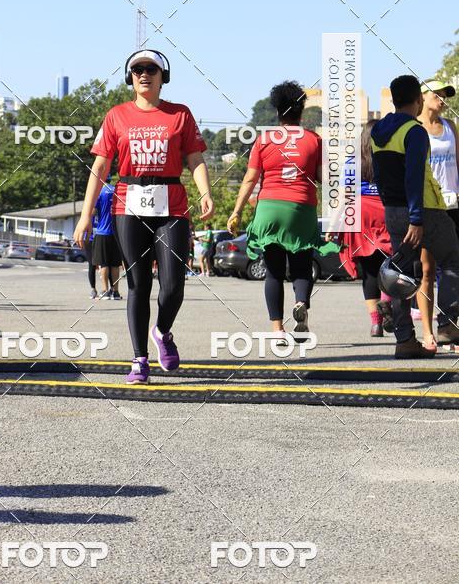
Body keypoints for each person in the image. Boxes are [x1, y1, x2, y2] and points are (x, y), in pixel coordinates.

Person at [73, 49, 213, 384]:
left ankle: (162, 332)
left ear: (163, 76)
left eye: (151, 69)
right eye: (137, 69)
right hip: (128, 205)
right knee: (138, 284)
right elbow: (101, 167)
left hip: (172, 205)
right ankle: (139, 360)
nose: (144, 74)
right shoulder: (116, 116)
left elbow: (195, 160)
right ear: (129, 77)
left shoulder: (180, 115)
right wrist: (85, 215)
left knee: (173, 286)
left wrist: (205, 192)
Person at [371, 75, 459, 359]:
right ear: (418, 100)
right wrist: (417, 219)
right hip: (423, 209)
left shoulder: (378, 132)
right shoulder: (415, 131)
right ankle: (448, 324)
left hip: (392, 210)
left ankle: (405, 340)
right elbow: (413, 176)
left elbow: (380, 174)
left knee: (401, 274)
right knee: (452, 259)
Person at [227, 81, 321, 339]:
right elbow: (323, 176)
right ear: (301, 111)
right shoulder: (314, 140)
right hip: (301, 209)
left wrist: (236, 211)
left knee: (274, 272)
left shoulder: (263, 140)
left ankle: (277, 330)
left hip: (269, 208)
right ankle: (301, 302)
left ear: (277, 111)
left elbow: (250, 180)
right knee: (302, 267)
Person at [333, 122, 393, 337]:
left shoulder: (351, 163)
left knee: (369, 271)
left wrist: (334, 225)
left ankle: (375, 324)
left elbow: (344, 198)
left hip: (359, 213)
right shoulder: (390, 160)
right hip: (385, 210)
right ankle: (387, 303)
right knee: (391, 264)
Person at [414, 79, 459, 352]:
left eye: (445, 95)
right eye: (437, 94)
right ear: (422, 96)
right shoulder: (415, 130)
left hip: (454, 206)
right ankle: (428, 332)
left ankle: (448, 325)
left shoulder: (451, 127)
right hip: (430, 206)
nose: (442, 99)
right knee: (428, 271)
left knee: (453, 269)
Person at [92, 175, 123, 300]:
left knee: (103, 264)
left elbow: (92, 212)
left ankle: (104, 291)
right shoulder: (116, 191)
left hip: (102, 232)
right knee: (115, 264)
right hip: (116, 233)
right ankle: (115, 292)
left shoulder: (99, 192)